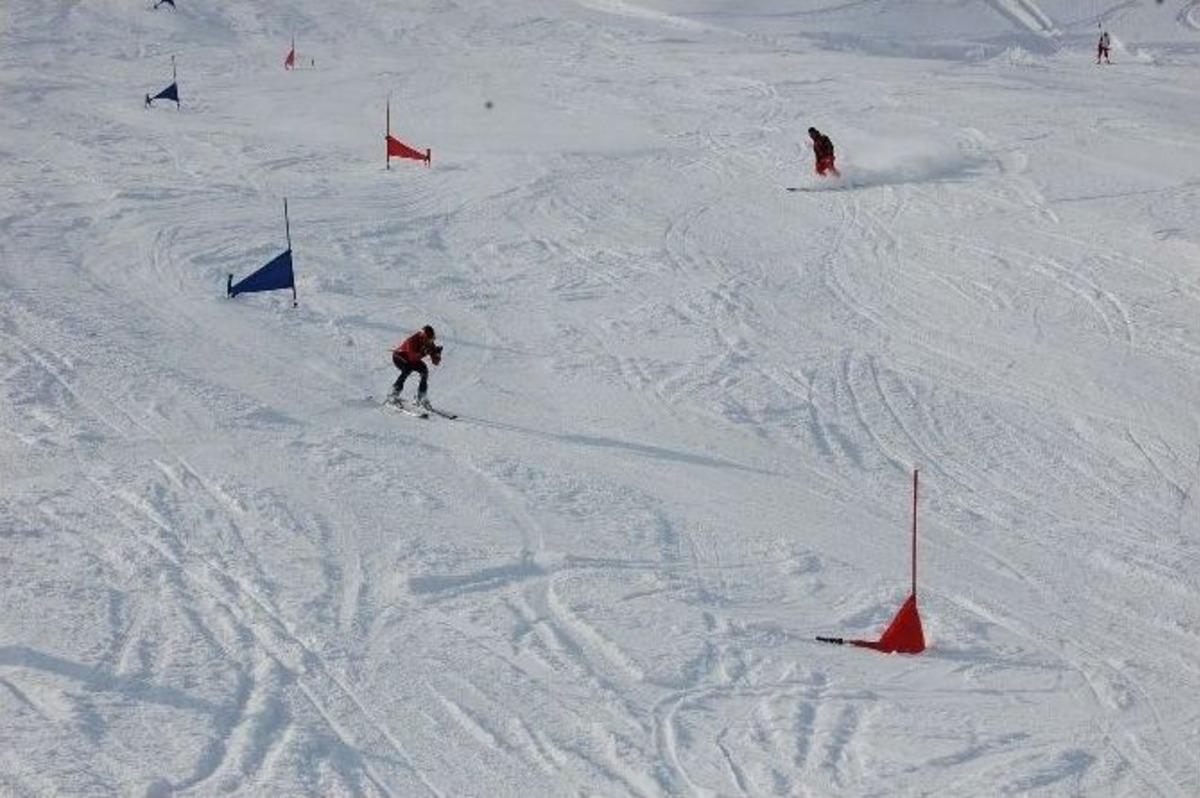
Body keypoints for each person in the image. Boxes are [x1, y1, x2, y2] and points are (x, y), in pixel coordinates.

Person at [389, 325, 442, 406]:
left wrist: (437, 355)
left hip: (412, 360)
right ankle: (394, 393)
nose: (430, 342)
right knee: (407, 369)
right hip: (399, 356)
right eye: (428, 340)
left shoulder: (429, 343)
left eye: (432, 339)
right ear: (423, 337)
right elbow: (412, 358)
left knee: (424, 371)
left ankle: (421, 396)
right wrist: (424, 352)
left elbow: (435, 362)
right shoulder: (412, 340)